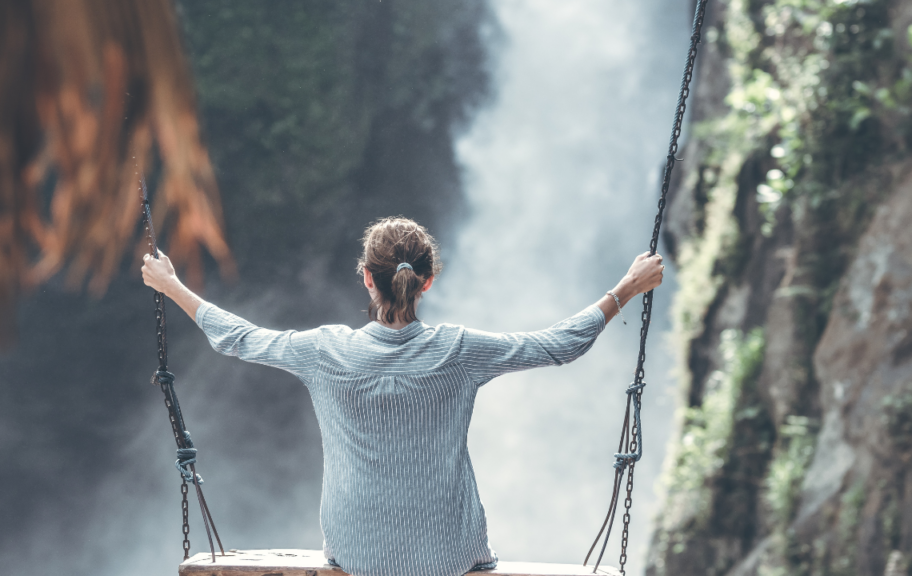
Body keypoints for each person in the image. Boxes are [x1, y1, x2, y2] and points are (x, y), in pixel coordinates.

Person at [141, 216, 664, 576]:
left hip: (358, 555)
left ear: (367, 279)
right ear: (427, 283)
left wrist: (171, 286)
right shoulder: (460, 351)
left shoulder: (323, 351)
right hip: (448, 558)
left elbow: (239, 337)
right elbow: (558, 346)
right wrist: (626, 287)